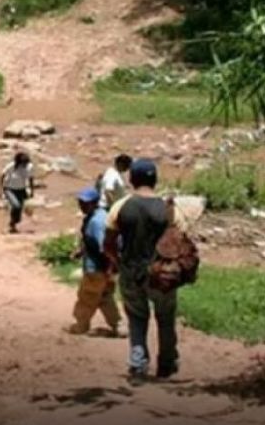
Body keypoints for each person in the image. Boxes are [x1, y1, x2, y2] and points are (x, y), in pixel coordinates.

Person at [103, 158, 178, 379]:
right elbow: (179, 241)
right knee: (165, 318)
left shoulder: (121, 206)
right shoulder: (168, 209)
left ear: (131, 179)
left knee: (136, 318)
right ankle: (166, 364)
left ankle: (138, 364)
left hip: (131, 271)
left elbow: (107, 243)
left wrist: (117, 261)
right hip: (163, 273)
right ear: (155, 179)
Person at [68, 187, 121, 335]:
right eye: (80, 202)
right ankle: (117, 325)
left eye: (86, 203)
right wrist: (81, 251)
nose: (82, 206)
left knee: (87, 296)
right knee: (105, 296)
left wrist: (110, 266)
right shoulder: (98, 216)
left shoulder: (97, 221)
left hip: (97, 267)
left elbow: (104, 246)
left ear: (95, 203)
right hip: (105, 266)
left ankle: (81, 325)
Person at [0, 152, 34, 233]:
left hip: (21, 190)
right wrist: (0, 190)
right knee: (16, 205)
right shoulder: (12, 166)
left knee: (19, 209)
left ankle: (13, 224)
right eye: (23, 164)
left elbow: (31, 179)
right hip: (9, 189)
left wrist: (32, 191)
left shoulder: (29, 167)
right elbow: (2, 175)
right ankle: (12, 224)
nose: (24, 165)